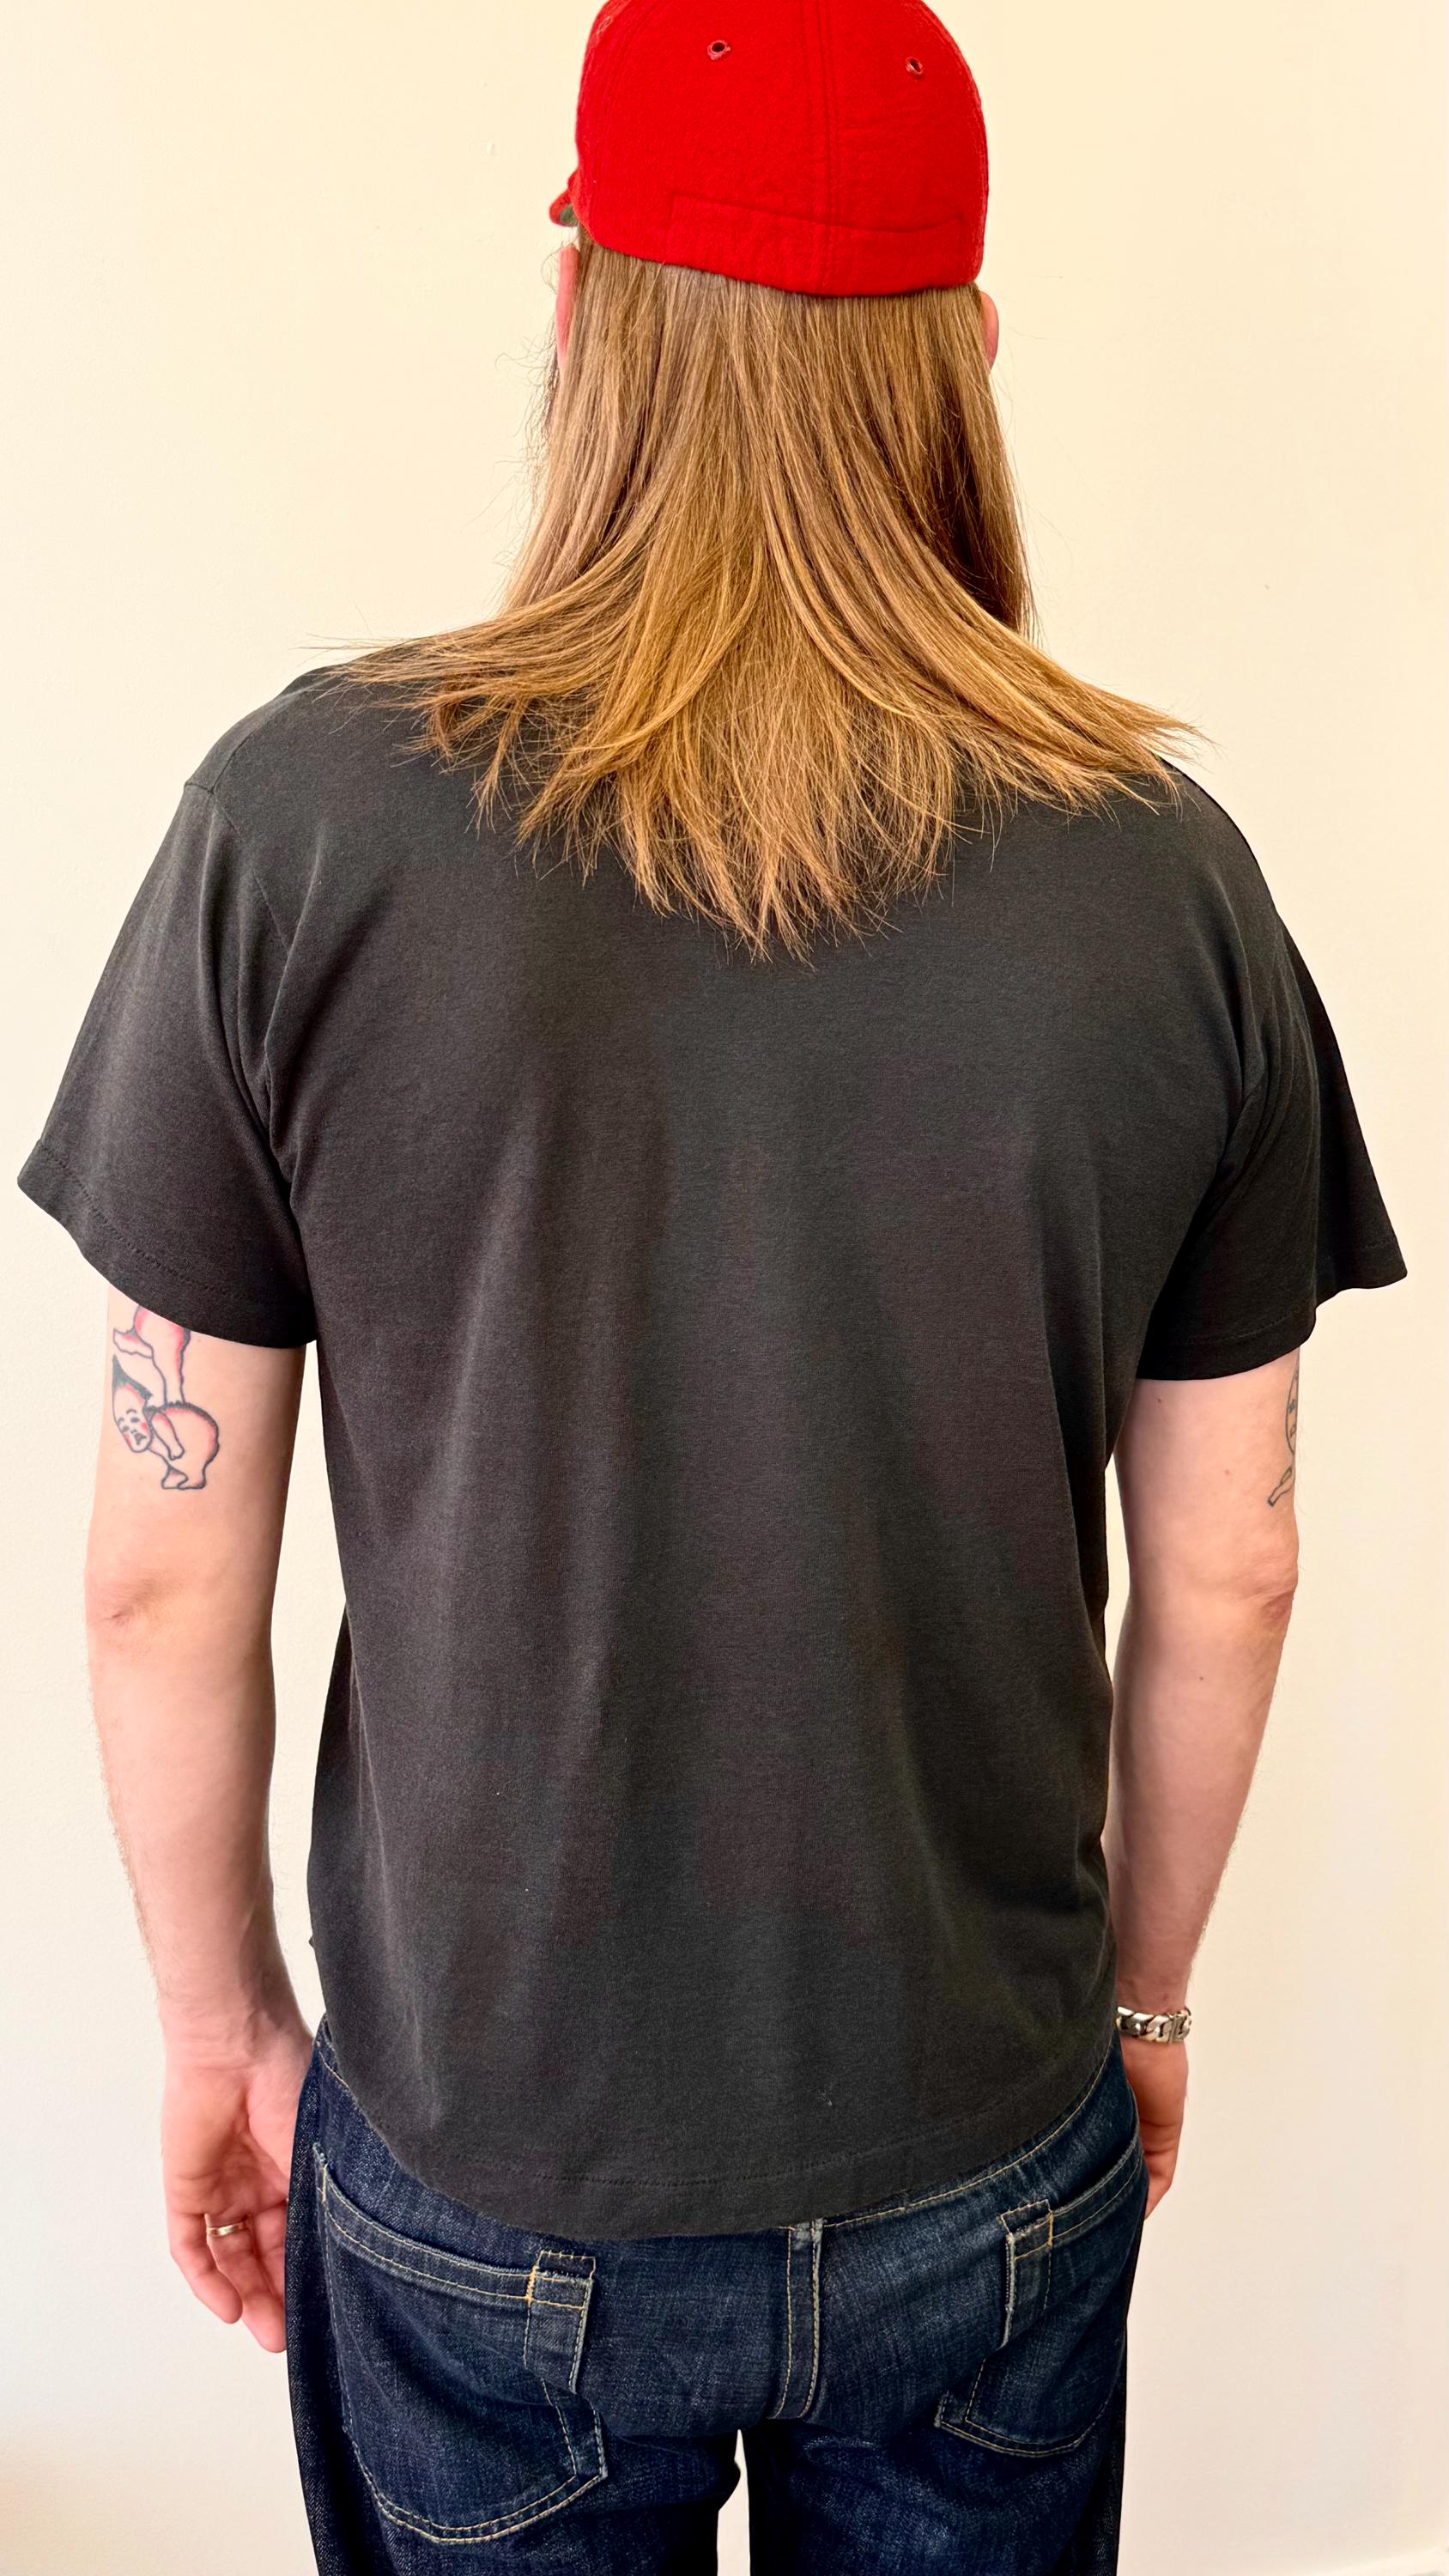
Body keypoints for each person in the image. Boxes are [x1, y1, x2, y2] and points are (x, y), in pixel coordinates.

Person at [17, 3, 1408, 2568]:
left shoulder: (296, 834)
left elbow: (152, 1576)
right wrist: (1142, 2005)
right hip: (983, 2155)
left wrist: (218, 2029)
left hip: (485, 2169)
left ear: (576, 321)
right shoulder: (1168, 886)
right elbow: (1233, 1566)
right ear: (968, 363)